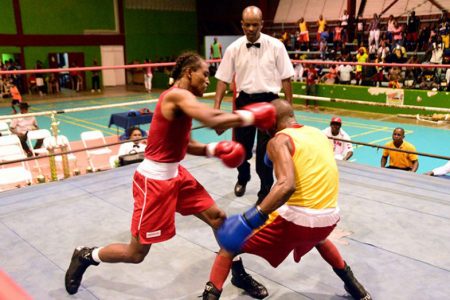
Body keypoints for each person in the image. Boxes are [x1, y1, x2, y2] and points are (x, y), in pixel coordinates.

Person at [64, 52, 277, 296]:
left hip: (177, 176)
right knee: (136, 254)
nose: (208, 81)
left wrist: (213, 149)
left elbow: (186, 144)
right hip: (153, 183)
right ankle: (86, 255)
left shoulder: (183, 101)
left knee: (218, 218)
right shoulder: (176, 96)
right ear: (189, 73)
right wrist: (251, 116)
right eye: (205, 75)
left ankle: (237, 273)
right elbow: (211, 118)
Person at [202, 99, 371, 300]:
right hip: (329, 219)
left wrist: (250, 219)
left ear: (269, 122)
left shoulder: (279, 141)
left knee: (229, 243)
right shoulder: (319, 134)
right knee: (319, 239)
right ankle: (355, 286)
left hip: (295, 221)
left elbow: (286, 185)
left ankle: (215, 292)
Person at [213, 6, 294, 204]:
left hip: (270, 103)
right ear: (242, 24)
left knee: (266, 154)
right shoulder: (233, 48)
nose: (250, 28)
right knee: (241, 150)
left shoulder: (276, 46)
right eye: (247, 24)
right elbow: (222, 80)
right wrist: (216, 111)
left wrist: (288, 111)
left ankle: (265, 192)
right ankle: (243, 177)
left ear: (261, 24)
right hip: (245, 102)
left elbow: (286, 79)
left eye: (254, 25)